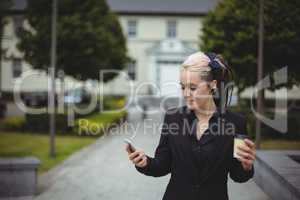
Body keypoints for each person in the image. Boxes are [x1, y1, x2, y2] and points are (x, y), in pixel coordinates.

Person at [125, 52, 256, 200]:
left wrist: (246, 167)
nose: (186, 93)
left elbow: (238, 175)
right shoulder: (172, 118)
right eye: (182, 87)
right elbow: (162, 165)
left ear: (212, 85)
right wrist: (145, 162)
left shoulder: (236, 123)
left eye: (193, 88)